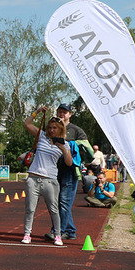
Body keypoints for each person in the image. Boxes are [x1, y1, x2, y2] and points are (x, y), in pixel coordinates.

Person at [22, 108, 73, 245]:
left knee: (53, 209)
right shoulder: (42, 136)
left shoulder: (65, 144)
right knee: (30, 208)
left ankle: (58, 235)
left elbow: (69, 163)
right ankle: (27, 234)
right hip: (33, 178)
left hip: (50, 180)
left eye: (54, 128)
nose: (51, 130)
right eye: (50, 127)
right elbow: (27, 124)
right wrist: (37, 111)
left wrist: (63, 150)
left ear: (60, 129)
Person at [54, 103, 88, 241]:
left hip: (70, 170)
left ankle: (59, 230)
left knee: (64, 201)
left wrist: (70, 145)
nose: (62, 114)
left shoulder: (76, 130)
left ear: (70, 114)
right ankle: (70, 230)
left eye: (65, 112)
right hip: (54, 169)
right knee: (56, 201)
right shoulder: (53, 127)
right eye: (60, 111)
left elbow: (86, 147)